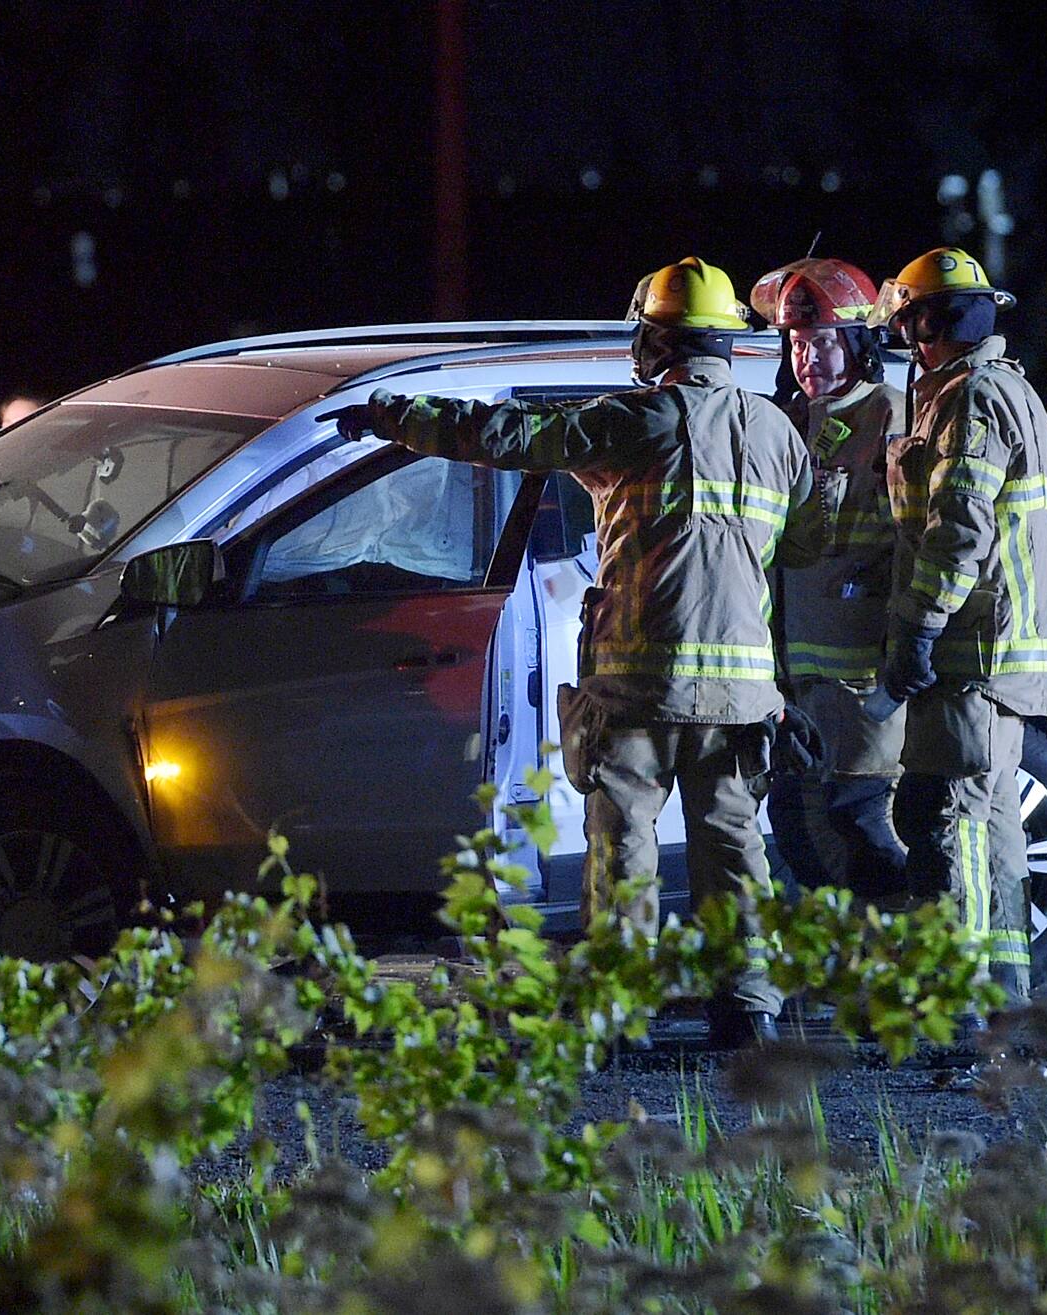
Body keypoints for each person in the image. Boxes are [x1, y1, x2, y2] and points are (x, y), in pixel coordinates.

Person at [335, 257, 818, 1046]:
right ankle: (749, 1010)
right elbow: (806, 548)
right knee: (733, 847)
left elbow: (503, 435)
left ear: (657, 341)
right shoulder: (776, 432)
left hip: (639, 688)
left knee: (624, 846)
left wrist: (394, 416)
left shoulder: (630, 421)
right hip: (739, 700)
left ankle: (619, 1010)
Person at [870, 246, 1047, 1007]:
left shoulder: (972, 399)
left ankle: (960, 1004)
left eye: (908, 325)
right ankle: (1003, 992)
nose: (905, 342)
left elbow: (959, 528)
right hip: (996, 652)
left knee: (947, 817)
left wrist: (918, 628)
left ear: (928, 324)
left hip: (971, 654)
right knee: (990, 824)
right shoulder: (1007, 388)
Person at [749, 259, 911, 900]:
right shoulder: (786, 421)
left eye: (822, 343)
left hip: (861, 676)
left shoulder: (889, 417)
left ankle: (896, 945)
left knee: (863, 820)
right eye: (796, 343)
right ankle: (840, 953)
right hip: (792, 676)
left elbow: (914, 541)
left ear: (858, 344)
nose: (807, 358)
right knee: (796, 822)